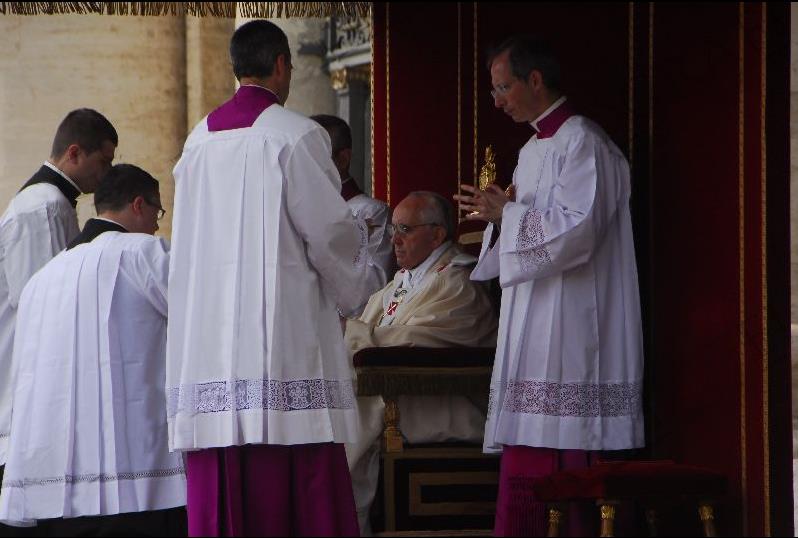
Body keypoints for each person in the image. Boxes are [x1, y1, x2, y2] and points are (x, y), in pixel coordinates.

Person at [167, 19, 370, 537]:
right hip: (283, 339)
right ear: (281, 65)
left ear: (236, 68)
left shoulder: (196, 142)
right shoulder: (297, 135)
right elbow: (328, 234)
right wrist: (359, 289)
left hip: (210, 343)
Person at [454, 35, 644, 536]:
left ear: (534, 79)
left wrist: (508, 214)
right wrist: (498, 216)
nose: (496, 101)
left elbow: (577, 230)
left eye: (502, 87)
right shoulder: (532, 148)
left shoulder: (584, 142)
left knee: (567, 444)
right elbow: (526, 229)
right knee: (530, 444)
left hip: (577, 320)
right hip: (534, 318)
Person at [0, 164, 186, 536]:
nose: (156, 224)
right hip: (137, 478)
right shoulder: (145, 254)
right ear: (139, 205)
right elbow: (200, 320)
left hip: (55, 483)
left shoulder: (44, 279)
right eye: (157, 213)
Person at [345, 191, 498, 535]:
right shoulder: (405, 279)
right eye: (392, 230)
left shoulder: (458, 283)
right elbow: (363, 332)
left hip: (444, 400)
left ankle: (343, 517)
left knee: (348, 404)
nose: (394, 241)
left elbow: (419, 342)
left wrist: (350, 335)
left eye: (405, 229)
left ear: (438, 234)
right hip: (401, 391)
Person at [0, 108, 118, 485]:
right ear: (74, 153)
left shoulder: (54, 202)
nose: (106, 175)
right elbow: (41, 303)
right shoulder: (42, 206)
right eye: (103, 162)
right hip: (18, 385)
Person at [310, 114, 394, 318]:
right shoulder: (302, 211)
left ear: (342, 159)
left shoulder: (371, 212)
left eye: (315, 157)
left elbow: (373, 285)